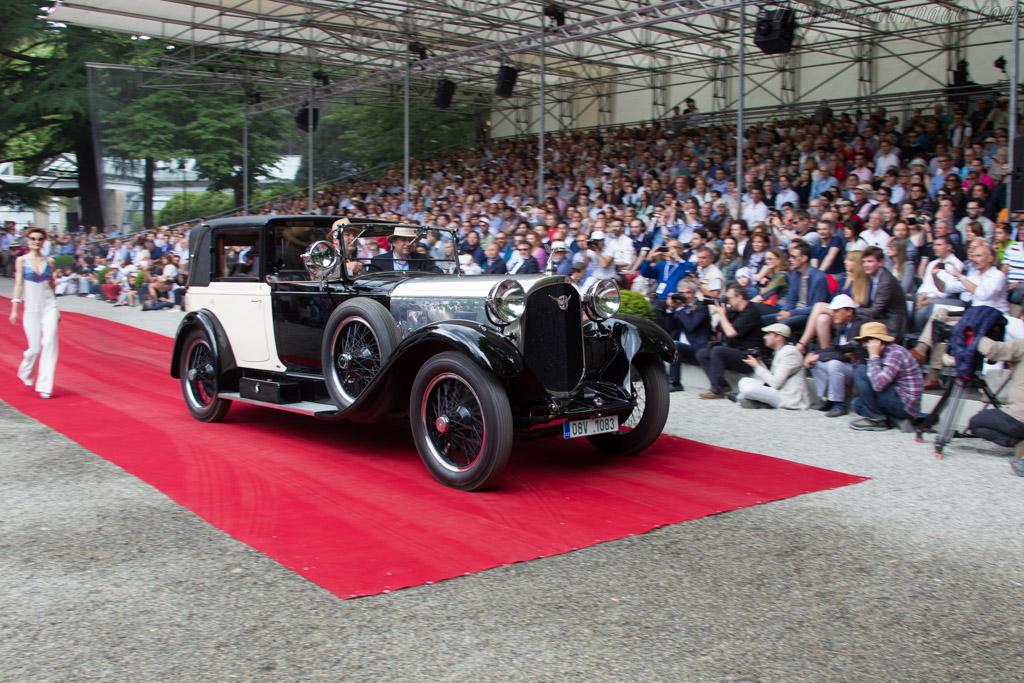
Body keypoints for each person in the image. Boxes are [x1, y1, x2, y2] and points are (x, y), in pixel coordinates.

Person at [8, 227, 59, 399]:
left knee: (50, 341)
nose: (36, 241)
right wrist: (14, 308)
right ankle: (26, 372)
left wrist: (56, 308)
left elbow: (52, 284)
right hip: (31, 309)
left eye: (39, 239)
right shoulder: (21, 261)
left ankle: (45, 386)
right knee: (35, 348)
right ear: (28, 241)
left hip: (49, 306)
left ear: (43, 241)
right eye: (33, 238)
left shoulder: (50, 262)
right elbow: (18, 285)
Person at [849, 321, 923, 432]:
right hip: (895, 397)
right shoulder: (883, 353)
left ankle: (876, 420)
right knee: (856, 404)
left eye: (866, 341)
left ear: (876, 341)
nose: (864, 345)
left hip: (904, 403)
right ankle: (895, 420)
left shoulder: (895, 353)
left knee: (861, 371)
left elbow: (878, 385)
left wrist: (874, 356)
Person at [696, 285, 766, 399]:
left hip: (748, 357)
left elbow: (731, 333)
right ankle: (723, 385)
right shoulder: (734, 311)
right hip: (735, 351)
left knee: (718, 351)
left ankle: (716, 390)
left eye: (729, 298)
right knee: (702, 354)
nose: (728, 301)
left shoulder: (750, 312)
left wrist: (722, 314)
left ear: (740, 297)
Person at [968, 336, 1024, 463]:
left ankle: (1019, 443)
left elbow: (992, 350)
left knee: (975, 423)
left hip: (1018, 419)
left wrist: (975, 336)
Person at [803, 295, 859, 417]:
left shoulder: (857, 325)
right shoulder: (842, 326)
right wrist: (814, 354)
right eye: (833, 311)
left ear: (849, 311)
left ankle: (839, 404)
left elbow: (846, 354)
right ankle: (828, 399)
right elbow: (834, 347)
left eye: (837, 311)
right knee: (815, 363)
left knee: (834, 364)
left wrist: (819, 356)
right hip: (845, 364)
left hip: (855, 367)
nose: (833, 314)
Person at [735, 323, 810, 410]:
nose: (764, 337)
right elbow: (771, 378)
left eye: (768, 334)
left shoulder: (790, 353)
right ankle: (753, 401)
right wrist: (758, 362)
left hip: (787, 397)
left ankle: (745, 399)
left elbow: (775, 383)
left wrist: (756, 366)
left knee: (748, 388)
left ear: (779, 337)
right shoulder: (781, 351)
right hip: (779, 390)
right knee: (744, 381)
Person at [664, 281, 711, 392]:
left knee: (676, 345)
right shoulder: (679, 308)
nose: (684, 296)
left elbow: (691, 326)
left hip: (697, 351)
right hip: (682, 350)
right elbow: (669, 328)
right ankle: (668, 381)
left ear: (694, 293)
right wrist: (670, 309)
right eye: (681, 293)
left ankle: (674, 382)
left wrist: (680, 309)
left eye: (688, 293)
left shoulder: (701, 307)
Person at [857, 245, 909, 345]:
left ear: (881, 262)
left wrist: (853, 310)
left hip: (891, 324)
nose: (865, 265)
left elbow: (875, 311)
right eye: (864, 262)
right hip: (880, 318)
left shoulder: (886, 282)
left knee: (856, 319)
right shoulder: (873, 277)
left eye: (870, 261)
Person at [367, 226, 440, 273]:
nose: (408, 244)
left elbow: (437, 271)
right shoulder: (378, 261)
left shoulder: (420, 259)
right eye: (404, 240)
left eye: (410, 240)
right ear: (394, 242)